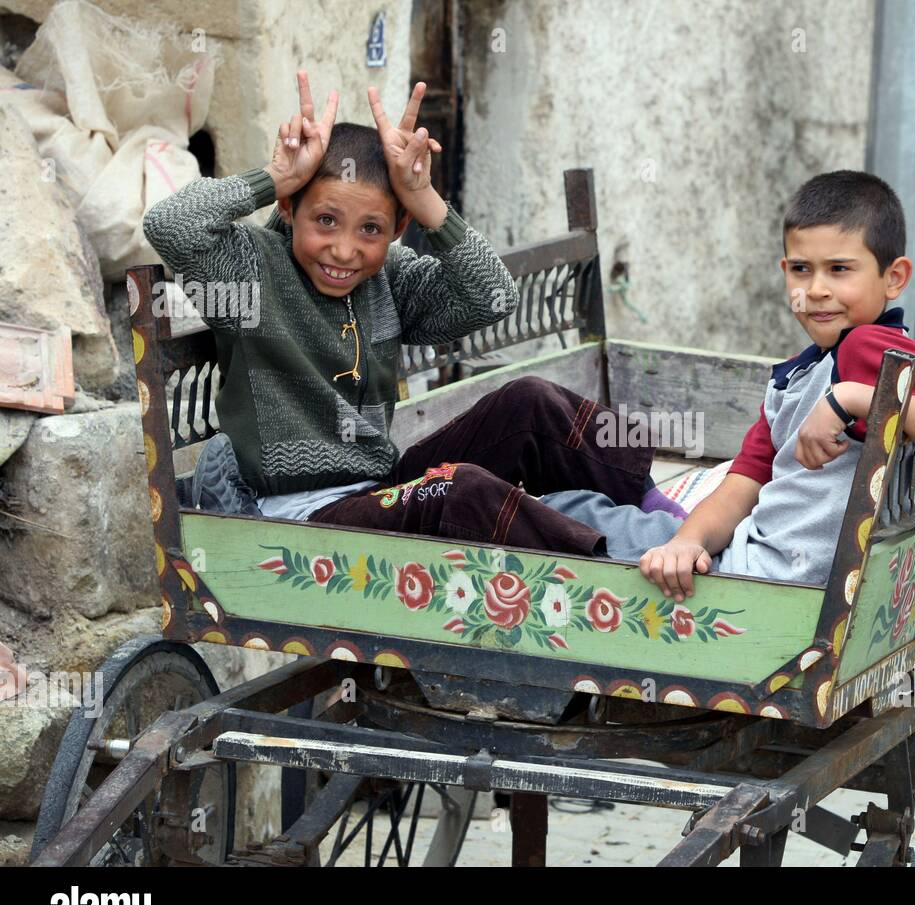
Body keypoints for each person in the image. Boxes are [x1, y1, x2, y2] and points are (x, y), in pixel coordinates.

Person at [144, 71, 676, 555]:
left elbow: (492, 297)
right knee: (461, 493)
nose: (345, 250)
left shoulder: (388, 276)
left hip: (377, 490)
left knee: (529, 404)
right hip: (301, 519)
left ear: (396, 229)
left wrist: (424, 198)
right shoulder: (249, 270)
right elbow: (170, 224)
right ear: (290, 207)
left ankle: (668, 518)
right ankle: (614, 568)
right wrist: (276, 174)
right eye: (325, 220)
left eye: (370, 229)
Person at [539, 170, 915, 596]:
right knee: (580, 506)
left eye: (839, 269)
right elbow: (743, 484)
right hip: (745, 561)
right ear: (785, 274)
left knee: (558, 508)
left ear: (893, 277)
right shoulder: (794, 375)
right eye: (802, 269)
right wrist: (689, 540)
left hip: (763, 583)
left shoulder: (868, 347)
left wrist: (852, 397)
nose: (816, 289)